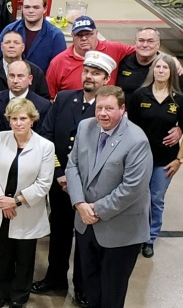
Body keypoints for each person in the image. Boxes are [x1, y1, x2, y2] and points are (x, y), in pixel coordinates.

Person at [31, 50, 117, 306]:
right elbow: (46, 136)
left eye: (96, 73)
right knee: (58, 231)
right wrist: (59, 173)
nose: (89, 76)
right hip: (60, 184)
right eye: (87, 71)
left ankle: (82, 285)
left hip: (90, 188)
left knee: (85, 239)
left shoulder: (107, 109)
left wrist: (77, 181)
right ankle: (55, 277)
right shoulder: (65, 98)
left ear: (106, 79)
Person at [66, 86, 153, 308]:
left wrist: (95, 210)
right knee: (90, 285)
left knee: (112, 293)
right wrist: (79, 203)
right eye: (99, 108)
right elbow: (72, 165)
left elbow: (132, 188)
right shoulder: (85, 127)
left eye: (109, 108)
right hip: (86, 224)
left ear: (122, 109)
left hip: (120, 231)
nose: (102, 113)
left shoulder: (137, 140)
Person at [0, 98, 55, 308]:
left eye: (23, 118)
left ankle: (19, 296)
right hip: (0, 207)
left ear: (32, 120)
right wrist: (2, 200)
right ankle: (0, 293)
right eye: (14, 119)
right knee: (1, 254)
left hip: (26, 210)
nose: (18, 123)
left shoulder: (45, 146)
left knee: (24, 256)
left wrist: (16, 202)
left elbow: (44, 182)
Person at [126, 54, 183, 258]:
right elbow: (128, 127)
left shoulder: (178, 100)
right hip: (140, 159)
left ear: (172, 72)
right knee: (137, 197)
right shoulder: (140, 95)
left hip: (165, 161)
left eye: (166, 68)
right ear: (153, 71)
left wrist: (179, 159)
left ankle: (149, 238)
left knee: (156, 198)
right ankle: (134, 234)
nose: (161, 70)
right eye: (158, 67)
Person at [45, 16, 134, 99]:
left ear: (96, 33)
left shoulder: (114, 49)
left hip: (106, 108)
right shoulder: (58, 63)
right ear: (72, 36)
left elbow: (140, 50)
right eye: (79, 35)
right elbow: (50, 97)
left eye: (88, 34)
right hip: (73, 109)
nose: (84, 38)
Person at [0, 0, 66, 72]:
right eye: (27, 7)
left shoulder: (55, 36)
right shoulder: (10, 30)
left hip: (41, 79)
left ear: (45, 9)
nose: (31, 11)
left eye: (36, 7)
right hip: (11, 78)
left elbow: (59, 67)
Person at [117, 28, 183, 101]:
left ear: (158, 45)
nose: (145, 45)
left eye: (150, 41)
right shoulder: (123, 61)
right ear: (135, 43)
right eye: (141, 40)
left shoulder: (169, 66)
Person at [0, 30, 51, 99]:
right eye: (7, 42)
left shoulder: (35, 72)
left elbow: (43, 100)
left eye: (16, 43)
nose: (11, 46)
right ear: (1, 47)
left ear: (23, 47)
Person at [0, 61, 52, 132]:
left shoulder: (43, 106)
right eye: (12, 76)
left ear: (30, 79)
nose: (15, 81)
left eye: (20, 76)